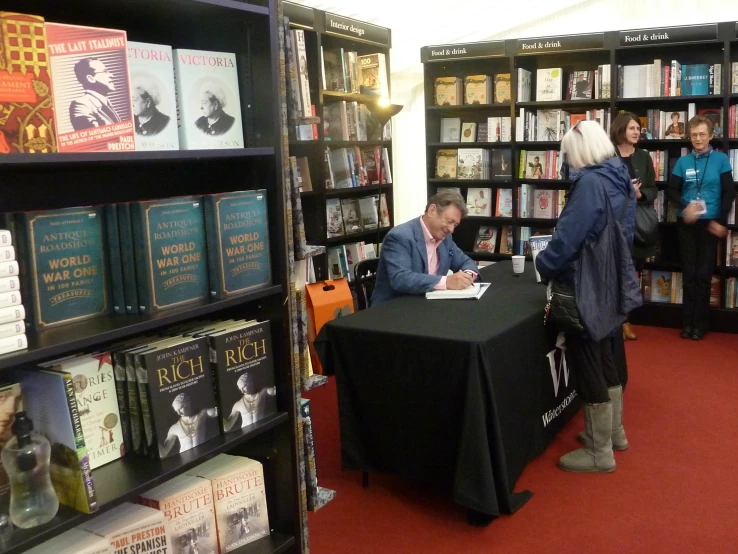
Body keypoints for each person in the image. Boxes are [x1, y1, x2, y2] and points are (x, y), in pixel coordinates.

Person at [535, 121, 636, 474]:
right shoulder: (619, 176)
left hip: (586, 283)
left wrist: (542, 264)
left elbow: (566, 241)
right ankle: (614, 433)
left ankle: (598, 451)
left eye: (568, 154)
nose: (566, 161)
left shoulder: (589, 183)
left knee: (587, 358)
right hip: (611, 278)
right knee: (607, 353)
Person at [668, 115, 734, 340]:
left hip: (710, 223)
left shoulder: (721, 160)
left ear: (711, 136)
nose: (698, 138)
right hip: (687, 222)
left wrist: (721, 221)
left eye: (702, 134)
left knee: (704, 275)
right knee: (689, 274)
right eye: (694, 135)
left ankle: (700, 324)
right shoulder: (683, 162)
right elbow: (672, 191)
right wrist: (686, 206)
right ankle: (687, 323)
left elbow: (729, 192)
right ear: (689, 136)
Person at [371, 190, 479, 306]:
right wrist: (446, 282)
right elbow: (400, 278)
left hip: (426, 306)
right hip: (392, 309)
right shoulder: (399, 237)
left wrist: (467, 277)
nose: (451, 229)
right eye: (449, 221)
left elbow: (466, 262)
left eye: (455, 225)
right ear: (432, 211)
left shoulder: (445, 238)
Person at [610, 112, 658, 341]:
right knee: (612, 271)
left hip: (635, 224)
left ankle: (625, 320)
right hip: (612, 223)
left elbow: (653, 189)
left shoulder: (644, 157)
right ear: (620, 130)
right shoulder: (607, 156)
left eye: (638, 128)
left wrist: (639, 193)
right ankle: (613, 321)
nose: (637, 132)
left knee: (631, 272)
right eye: (632, 128)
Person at [69, 58, 122, 130]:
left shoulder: (105, 102)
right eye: (105, 72)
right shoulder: (81, 105)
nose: (112, 75)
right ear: (91, 78)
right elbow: (92, 138)